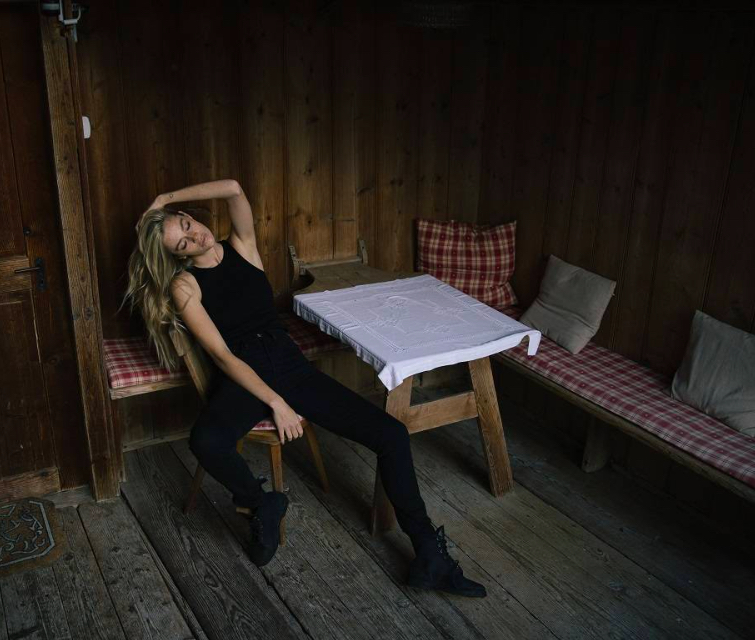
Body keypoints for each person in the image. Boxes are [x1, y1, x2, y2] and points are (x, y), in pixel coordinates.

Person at [123, 179, 485, 597]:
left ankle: (429, 554)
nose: (194, 237)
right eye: (182, 243)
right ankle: (262, 503)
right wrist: (275, 402)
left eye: (187, 225)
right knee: (206, 440)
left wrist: (166, 199)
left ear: (189, 216)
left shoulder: (242, 245)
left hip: (290, 364)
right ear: (176, 256)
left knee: (392, 435)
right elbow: (222, 355)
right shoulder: (184, 285)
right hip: (244, 374)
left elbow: (235, 190)